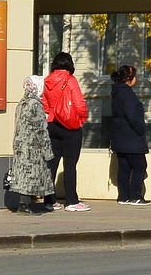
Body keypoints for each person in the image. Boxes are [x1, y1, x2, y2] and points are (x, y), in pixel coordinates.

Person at [41, 51, 90, 212]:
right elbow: (79, 102)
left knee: (52, 163)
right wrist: (81, 118)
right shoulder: (70, 80)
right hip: (71, 126)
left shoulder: (47, 81)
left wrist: (53, 115)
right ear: (69, 64)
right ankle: (71, 200)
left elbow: (45, 104)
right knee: (70, 164)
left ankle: (49, 200)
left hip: (53, 124)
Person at [7, 75, 53, 213]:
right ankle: (25, 205)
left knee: (23, 175)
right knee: (31, 176)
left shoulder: (21, 103)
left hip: (21, 145)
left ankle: (24, 203)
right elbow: (41, 129)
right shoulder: (36, 104)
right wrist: (47, 150)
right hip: (33, 146)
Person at [110, 64, 151, 206]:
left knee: (124, 167)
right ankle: (136, 196)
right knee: (140, 165)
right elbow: (132, 115)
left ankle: (123, 196)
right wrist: (141, 129)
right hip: (131, 137)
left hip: (119, 137)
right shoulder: (127, 93)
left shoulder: (116, 92)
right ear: (129, 78)